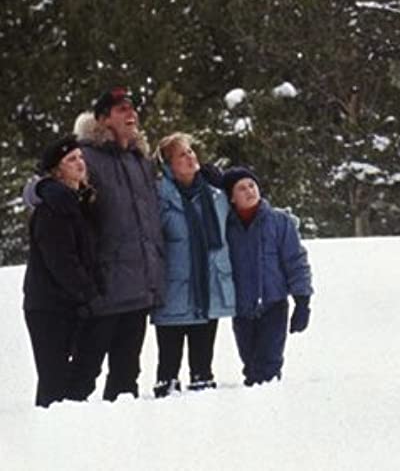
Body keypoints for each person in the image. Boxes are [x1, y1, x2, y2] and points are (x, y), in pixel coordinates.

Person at [69, 86, 164, 400]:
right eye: (121, 109)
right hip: (103, 289)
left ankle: (120, 443)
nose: (131, 114)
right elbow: (46, 184)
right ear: (102, 119)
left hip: (139, 288)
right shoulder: (86, 156)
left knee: (127, 377)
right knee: (84, 375)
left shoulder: (140, 160)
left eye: (132, 108)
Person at [152, 132, 235, 396]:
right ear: (168, 165)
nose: (190, 157)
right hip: (173, 290)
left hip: (208, 287)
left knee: (203, 373)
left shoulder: (217, 196)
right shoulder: (158, 200)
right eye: (181, 155)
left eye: (190, 151)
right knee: (167, 372)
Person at [21, 136, 100, 407]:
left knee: (77, 378)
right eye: (71, 160)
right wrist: (87, 291)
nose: (80, 163)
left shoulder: (79, 201)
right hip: (49, 305)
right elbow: (60, 259)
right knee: (53, 381)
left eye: (80, 157)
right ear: (57, 170)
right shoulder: (54, 207)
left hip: (70, 303)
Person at [222, 166, 313, 386]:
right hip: (242, 309)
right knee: (251, 366)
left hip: (273, 304)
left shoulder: (279, 222)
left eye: (252, 185)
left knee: (269, 367)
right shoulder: (226, 226)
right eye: (241, 188)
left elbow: (295, 261)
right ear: (232, 198)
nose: (249, 191)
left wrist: (302, 301)